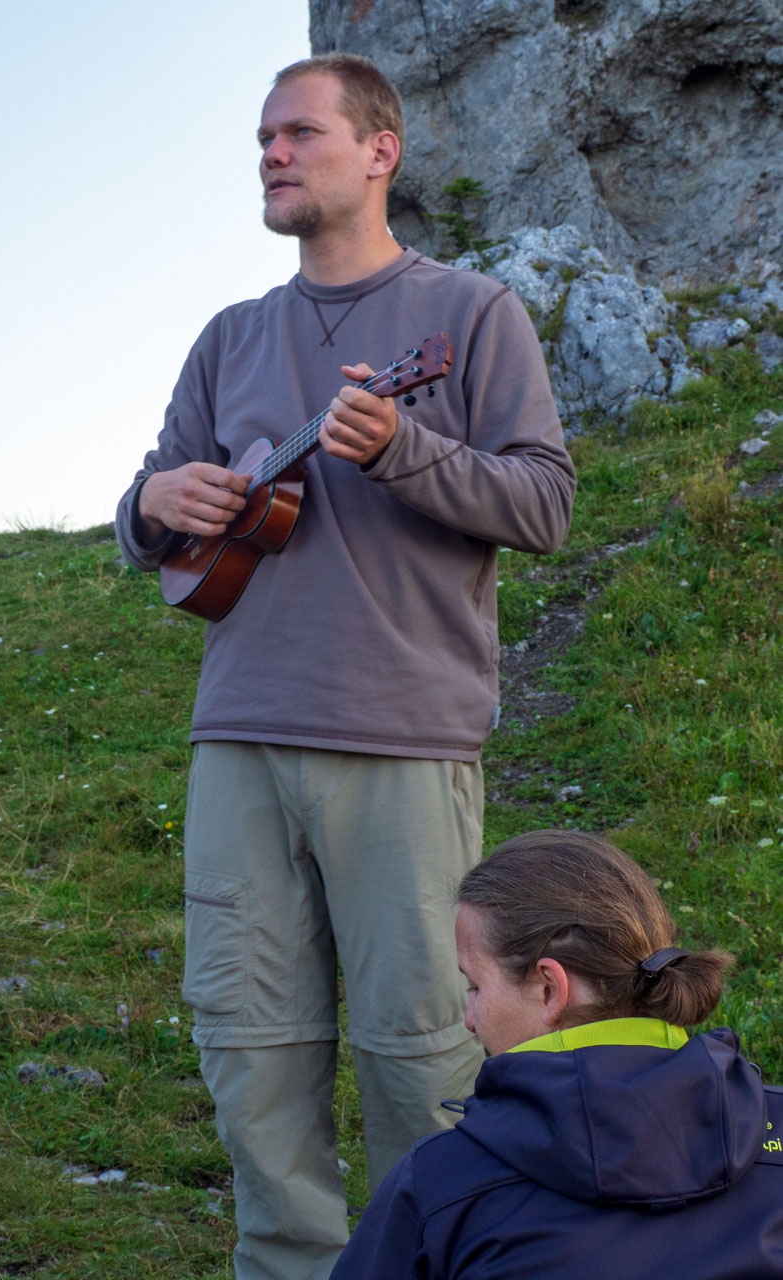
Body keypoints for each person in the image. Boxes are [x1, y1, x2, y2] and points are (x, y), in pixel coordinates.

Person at [115, 52, 576, 1280]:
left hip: (403, 741)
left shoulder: (471, 314)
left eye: (298, 134)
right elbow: (153, 513)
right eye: (263, 138)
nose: (271, 154)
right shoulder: (230, 336)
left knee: (423, 1050)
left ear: (380, 151)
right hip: (240, 736)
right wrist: (153, 501)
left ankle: (426, 1263)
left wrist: (405, 453)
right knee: (248, 1041)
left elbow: (543, 503)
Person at [330, 828, 783, 1279]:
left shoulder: (439, 1184)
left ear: (550, 988)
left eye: (475, 986)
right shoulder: (773, 1127)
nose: (469, 1018)